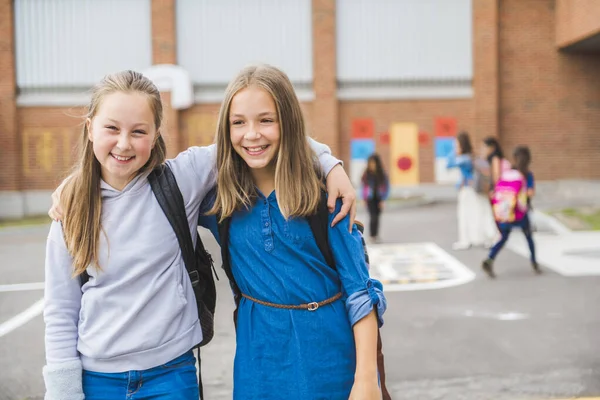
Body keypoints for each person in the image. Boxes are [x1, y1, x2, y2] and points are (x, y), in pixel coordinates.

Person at [43, 70, 356, 400]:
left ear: (155, 134)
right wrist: (64, 392)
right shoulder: (71, 209)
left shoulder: (182, 180)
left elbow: (262, 137)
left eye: (138, 131)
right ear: (90, 127)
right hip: (97, 380)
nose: (124, 143)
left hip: (171, 375)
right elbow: (61, 311)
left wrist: (329, 164)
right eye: (111, 128)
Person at [196, 64, 386, 399]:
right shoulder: (220, 202)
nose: (251, 134)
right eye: (238, 122)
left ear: (288, 123)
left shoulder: (327, 199)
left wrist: (366, 380)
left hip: (330, 364)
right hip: (259, 369)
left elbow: (361, 294)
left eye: (266, 120)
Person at [481, 145, 540, 278]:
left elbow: (498, 190)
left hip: (505, 212)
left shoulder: (508, 172)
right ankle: (534, 262)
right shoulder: (526, 174)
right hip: (520, 212)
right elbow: (531, 192)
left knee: (504, 237)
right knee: (528, 236)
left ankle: (490, 258)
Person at [447, 131, 480, 250]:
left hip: (467, 190)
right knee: (471, 214)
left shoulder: (464, 159)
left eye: (457, 145)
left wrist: (453, 152)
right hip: (469, 189)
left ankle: (465, 240)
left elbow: (449, 163)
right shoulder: (470, 156)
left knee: (464, 215)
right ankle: (471, 238)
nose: (455, 147)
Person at [361, 153, 390, 243]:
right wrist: (364, 198)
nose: (372, 165)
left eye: (374, 163)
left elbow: (386, 187)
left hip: (379, 198)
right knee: (372, 216)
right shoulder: (366, 175)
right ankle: (372, 235)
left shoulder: (382, 175)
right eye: (370, 163)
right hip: (370, 198)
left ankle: (376, 235)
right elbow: (363, 187)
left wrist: (383, 199)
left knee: (377, 217)